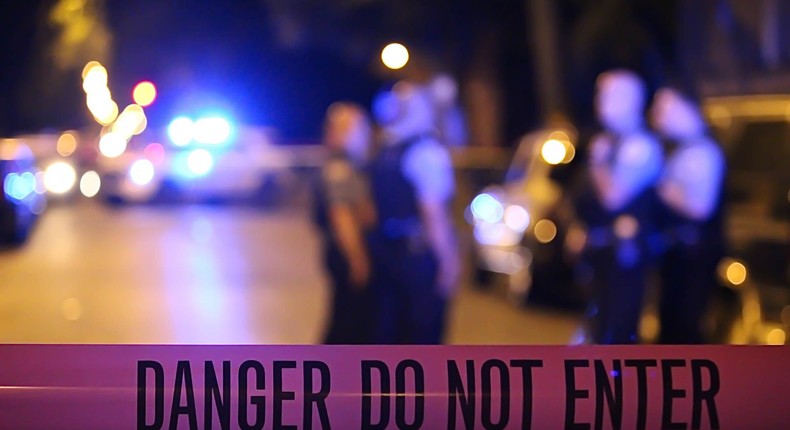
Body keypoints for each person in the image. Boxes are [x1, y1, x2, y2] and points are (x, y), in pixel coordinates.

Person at [368, 81, 460, 344]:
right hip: (418, 256)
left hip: (386, 250)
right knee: (423, 335)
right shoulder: (426, 152)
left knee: (390, 333)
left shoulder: (385, 150)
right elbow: (432, 211)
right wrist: (448, 259)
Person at [576, 69, 663, 344]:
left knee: (618, 332)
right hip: (602, 255)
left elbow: (613, 197)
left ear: (631, 101)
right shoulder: (608, 141)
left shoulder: (640, 146)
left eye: (608, 95)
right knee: (598, 327)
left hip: (626, 258)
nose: (599, 101)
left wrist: (599, 160)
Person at [650, 87, 726, 344]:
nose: (658, 117)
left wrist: (659, 187)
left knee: (683, 327)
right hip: (681, 253)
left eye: (665, 109)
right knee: (672, 322)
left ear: (688, 108)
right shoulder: (684, 150)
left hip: (693, 256)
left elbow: (699, 208)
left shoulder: (702, 152)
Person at [313, 102, 376, 344]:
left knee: (349, 317)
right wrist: (357, 258)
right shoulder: (339, 165)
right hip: (345, 250)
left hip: (344, 249)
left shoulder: (347, 161)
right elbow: (341, 215)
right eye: (358, 129)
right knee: (347, 320)